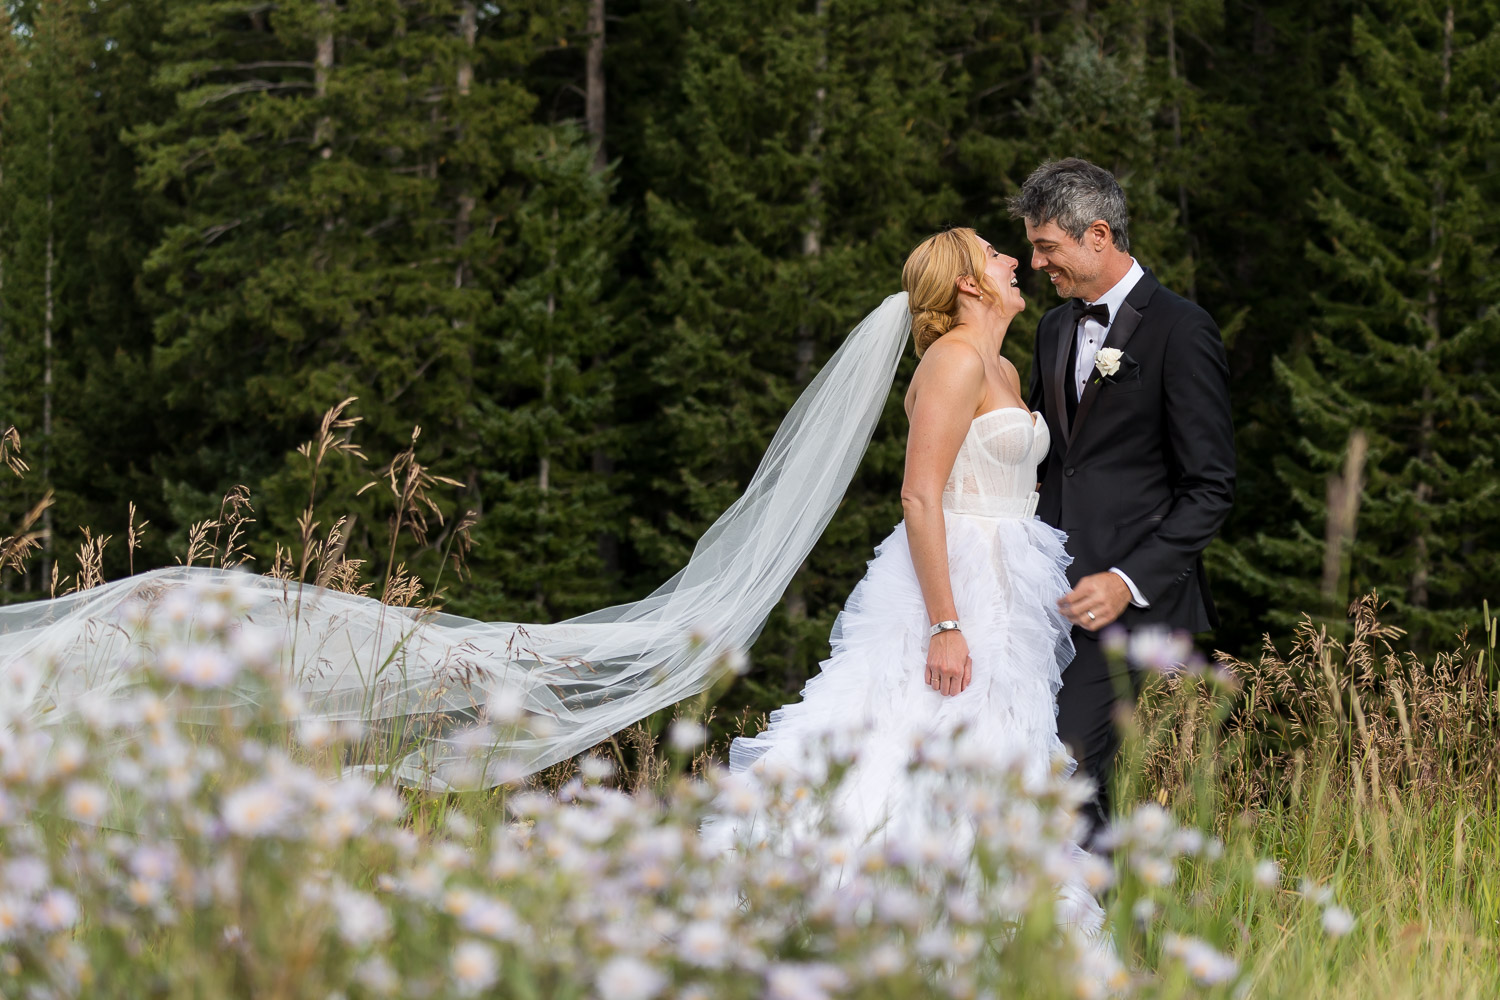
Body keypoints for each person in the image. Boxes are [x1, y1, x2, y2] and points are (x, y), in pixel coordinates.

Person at [704, 227, 1104, 937]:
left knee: (993, 748)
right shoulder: (953, 361)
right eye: (994, 254)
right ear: (968, 284)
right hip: (956, 579)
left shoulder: (1004, 369)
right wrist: (946, 625)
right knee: (912, 736)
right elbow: (920, 495)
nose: (1014, 260)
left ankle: (985, 918)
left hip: (1014, 578)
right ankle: (858, 914)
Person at [1012, 159, 1236, 845]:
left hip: (1131, 602)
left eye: (1046, 245)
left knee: (1071, 763)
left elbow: (1211, 486)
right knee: (1039, 767)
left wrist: (1126, 581)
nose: (1034, 261)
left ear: (1098, 235)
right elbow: (1048, 457)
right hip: (1044, 592)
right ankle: (1085, 940)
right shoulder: (1054, 328)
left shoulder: (1181, 329)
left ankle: (1086, 943)